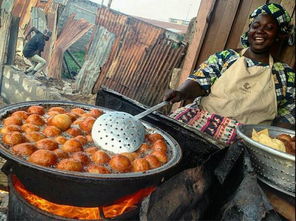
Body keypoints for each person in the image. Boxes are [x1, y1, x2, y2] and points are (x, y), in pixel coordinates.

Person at [163, 3, 295, 145]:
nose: (260, 31)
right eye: (255, 26)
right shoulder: (226, 57)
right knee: (165, 140)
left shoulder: (286, 76)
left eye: (269, 28)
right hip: (204, 120)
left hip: (246, 137)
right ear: (249, 30)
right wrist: (181, 93)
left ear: (279, 35)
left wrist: (276, 145)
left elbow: (286, 119)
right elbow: (199, 81)